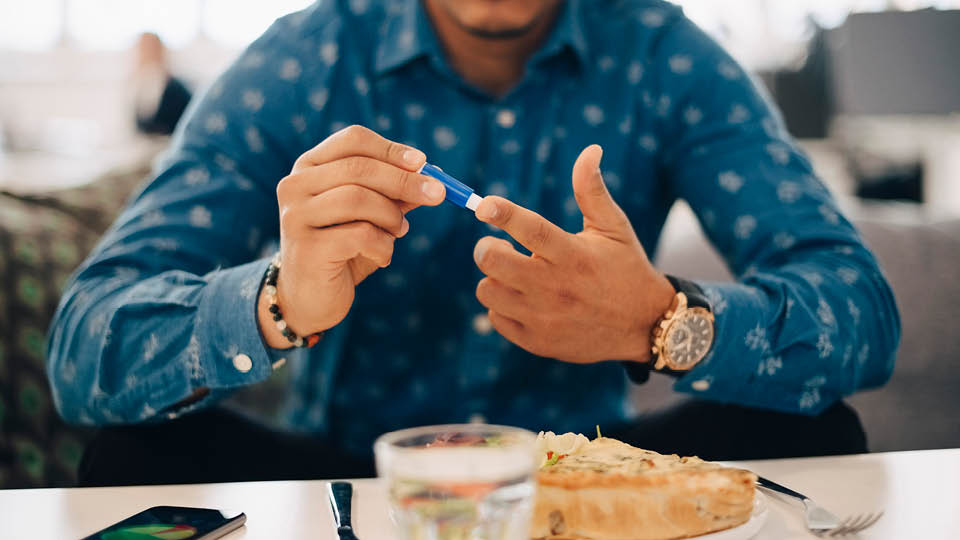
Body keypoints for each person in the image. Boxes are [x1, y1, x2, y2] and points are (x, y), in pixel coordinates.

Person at [47, 0, 900, 486]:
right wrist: (276, 300)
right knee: (129, 455)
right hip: (346, 476)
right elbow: (86, 346)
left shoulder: (664, 54)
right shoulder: (303, 59)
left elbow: (860, 309)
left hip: (588, 473)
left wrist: (666, 321)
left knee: (821, 428)